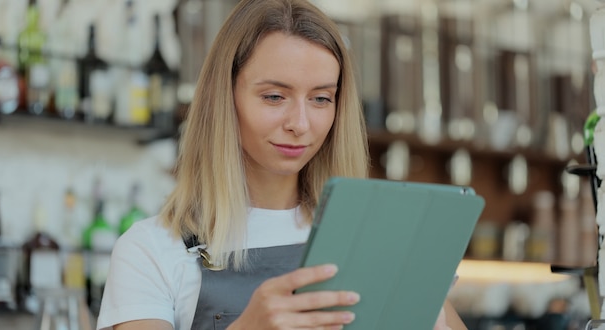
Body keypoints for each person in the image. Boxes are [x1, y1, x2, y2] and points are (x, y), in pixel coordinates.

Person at [97, 0, 467, 329]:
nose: (300, 124)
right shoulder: (151, 251)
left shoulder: (380, 240)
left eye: (321, 98)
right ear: (225, 98)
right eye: (274, 96)